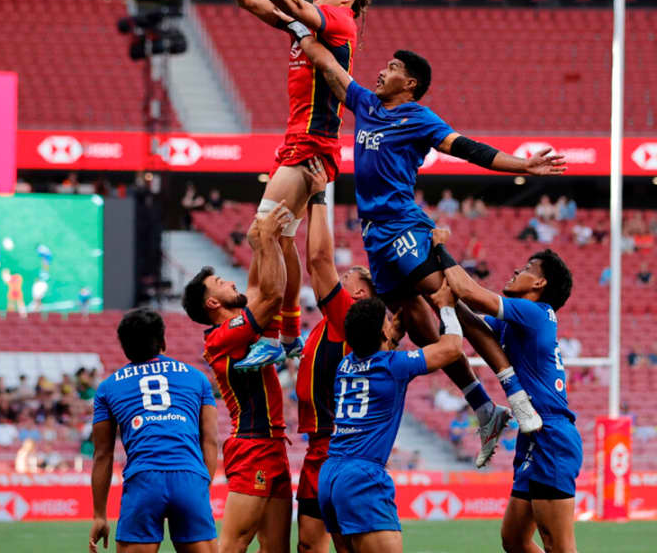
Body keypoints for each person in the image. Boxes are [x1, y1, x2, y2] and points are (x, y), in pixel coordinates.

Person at [293, 29, 564, 465]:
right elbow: (329, 67)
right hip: (374, 236)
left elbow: (469, 149)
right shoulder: (366, 104)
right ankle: (484, 408)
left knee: (455, 304)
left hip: (404, 226)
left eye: (393, 68)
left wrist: (522, 165)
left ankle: (516, 398)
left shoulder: (419, 118)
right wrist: (298, 28)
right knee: (421, 327)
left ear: (410, 83)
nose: (382, 71)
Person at [199, 0, 371, 368]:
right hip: (298, 140)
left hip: (311, 143)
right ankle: (291, 332)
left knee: (262, 233)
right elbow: (253, 3)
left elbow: (290, 1)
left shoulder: (339, 21)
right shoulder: (307, 27)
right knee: (283, 238)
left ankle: (271, 334)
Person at [432, 230, 582, 553]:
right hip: (534, 434)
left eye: (527, 268)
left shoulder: (535, 314)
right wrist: (444, 301)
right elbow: (475, 328)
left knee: (558, 545)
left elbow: (468, 291)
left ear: (539, 283)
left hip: (552, 435)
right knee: (514, 540)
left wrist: (439, 247)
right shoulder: (518, 322)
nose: (516, 270)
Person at [182, 202, 293, 553]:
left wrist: (260, 242)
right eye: (220, 283)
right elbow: (272, 296)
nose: (231, 281)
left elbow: (259, 287)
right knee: (233, 545)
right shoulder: (220, 338)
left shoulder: (238, 326)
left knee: (276, 548)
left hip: (274, 444)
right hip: (252, 446)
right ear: (213, 304)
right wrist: (267, 242)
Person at [318, 293, 464, 552]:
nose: (390, 323)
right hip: (362, 476)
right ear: (382, 333)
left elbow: (379, 349)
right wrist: (446, 307)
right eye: (387, 321)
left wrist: (392, 330)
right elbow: (451, 348)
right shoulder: (394, 366)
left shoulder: (345, 365)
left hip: (331, 475)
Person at [294, 158, 376, 553]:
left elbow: (319, 262)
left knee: (347, 546)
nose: (336, 286)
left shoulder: (350, 318)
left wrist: (317, 197)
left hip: (338, 446)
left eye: (346, 282)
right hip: (318, 446)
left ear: (359, 294)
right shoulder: (326, 324)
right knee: (309, 545)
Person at [89, 308, 219, 553]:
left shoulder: (107, 388)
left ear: (124, 348)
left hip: (143, 480)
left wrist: (99, 515)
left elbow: (103, 454)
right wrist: (201, 490)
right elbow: (210, 440)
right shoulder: (198, 378)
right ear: (163, 342)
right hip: (189, 476)